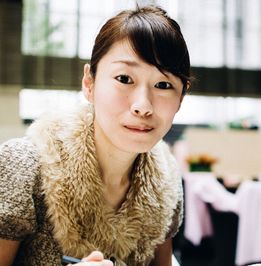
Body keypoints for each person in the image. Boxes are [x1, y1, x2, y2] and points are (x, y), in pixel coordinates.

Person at [0, 5, 191, 266]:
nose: (143, 105)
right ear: (89, 83)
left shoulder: (167, 178)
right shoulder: (24, 164)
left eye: (163, 85)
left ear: (181, 98)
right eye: (124, 78)